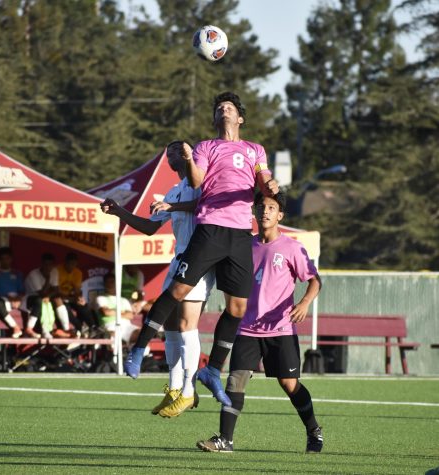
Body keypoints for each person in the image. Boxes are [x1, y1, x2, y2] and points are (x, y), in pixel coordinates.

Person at [117, 92, 278, 408]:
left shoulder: (255, 149)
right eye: (218, 107)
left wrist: (269, 185)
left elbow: (264, 177)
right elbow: (198, 178)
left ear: (240, 118)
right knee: (176, 292)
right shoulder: (206, 147)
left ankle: (212, 371)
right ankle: (139, 350)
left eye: (229, 107)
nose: (223, 109)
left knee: (237, 309)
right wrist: (190, 158)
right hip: (212, 228)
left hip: (241, 233)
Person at [196, 192, 323, 454]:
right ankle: (225, 440)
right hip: (246, 328)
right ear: (253, 212)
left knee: (289, 385)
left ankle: (313, 431)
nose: (265, 211)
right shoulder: (243, 246)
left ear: (280, 215)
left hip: (281, 329)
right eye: (261, 207)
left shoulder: (291, 247)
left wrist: (304, 303)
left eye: (271, 207)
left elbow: (314, 280)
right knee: (235, 381)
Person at [101, 140, 215, 417]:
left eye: (182, 150)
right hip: (178, 261)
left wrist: (172, 207)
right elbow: (150, 227)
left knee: (188, 324)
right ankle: (175, 387)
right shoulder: (174, 192)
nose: (176, 154)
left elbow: (203, 205)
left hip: (200, 262)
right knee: (172, 326)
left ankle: (189, 390)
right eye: (172, 152)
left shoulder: (203, 184)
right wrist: (119, 211)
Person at [0, 246, 39, 338]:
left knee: (38, 300)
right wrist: (12, 299)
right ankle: (15, 327)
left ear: (11, 259)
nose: (5, 261)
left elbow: (21, 289)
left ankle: (29, 329)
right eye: (2, 259)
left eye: (7, 258)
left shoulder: (17, 273)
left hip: (18, 298)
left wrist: (18, 299)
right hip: (4, 299)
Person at [23, 253, 75, 338]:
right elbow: (41, 293)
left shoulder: (54, 271)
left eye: (50, 265)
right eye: (46, 264)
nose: (48, 267)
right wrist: (47, 280)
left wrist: (48, 296)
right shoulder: (34, 274)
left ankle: (66, 329)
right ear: (41, 264)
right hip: (30, 299)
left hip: (45, 297)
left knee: (58, 299)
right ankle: (43, 330)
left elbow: (56, 290)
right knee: (41, 301)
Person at [57, 252, 97, 335]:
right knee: (66, 308)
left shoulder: (77, 272)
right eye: (70, 263)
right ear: (65, 262)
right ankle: (80, 327)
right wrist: (68, 298)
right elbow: (56, 290)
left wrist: (79, 298)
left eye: (74, 264)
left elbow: (77, 290)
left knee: (83, 305)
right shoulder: (57, 270)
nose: (71, 266)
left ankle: (93, 327)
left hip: (71, 296)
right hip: (58, 297)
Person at [96, 273, 140, 347]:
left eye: (112, 282)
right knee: (112, 336)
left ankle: (143, 356)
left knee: (143, 333)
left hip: (126, 326)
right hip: (111, 326)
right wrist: (123, 312)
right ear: (104, 284)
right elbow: (106, 312)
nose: (110, 284)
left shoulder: (124, 300)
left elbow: (130, 315)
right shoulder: (101, 298)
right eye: (108, 282)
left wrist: (113, 311)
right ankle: (116, 356)